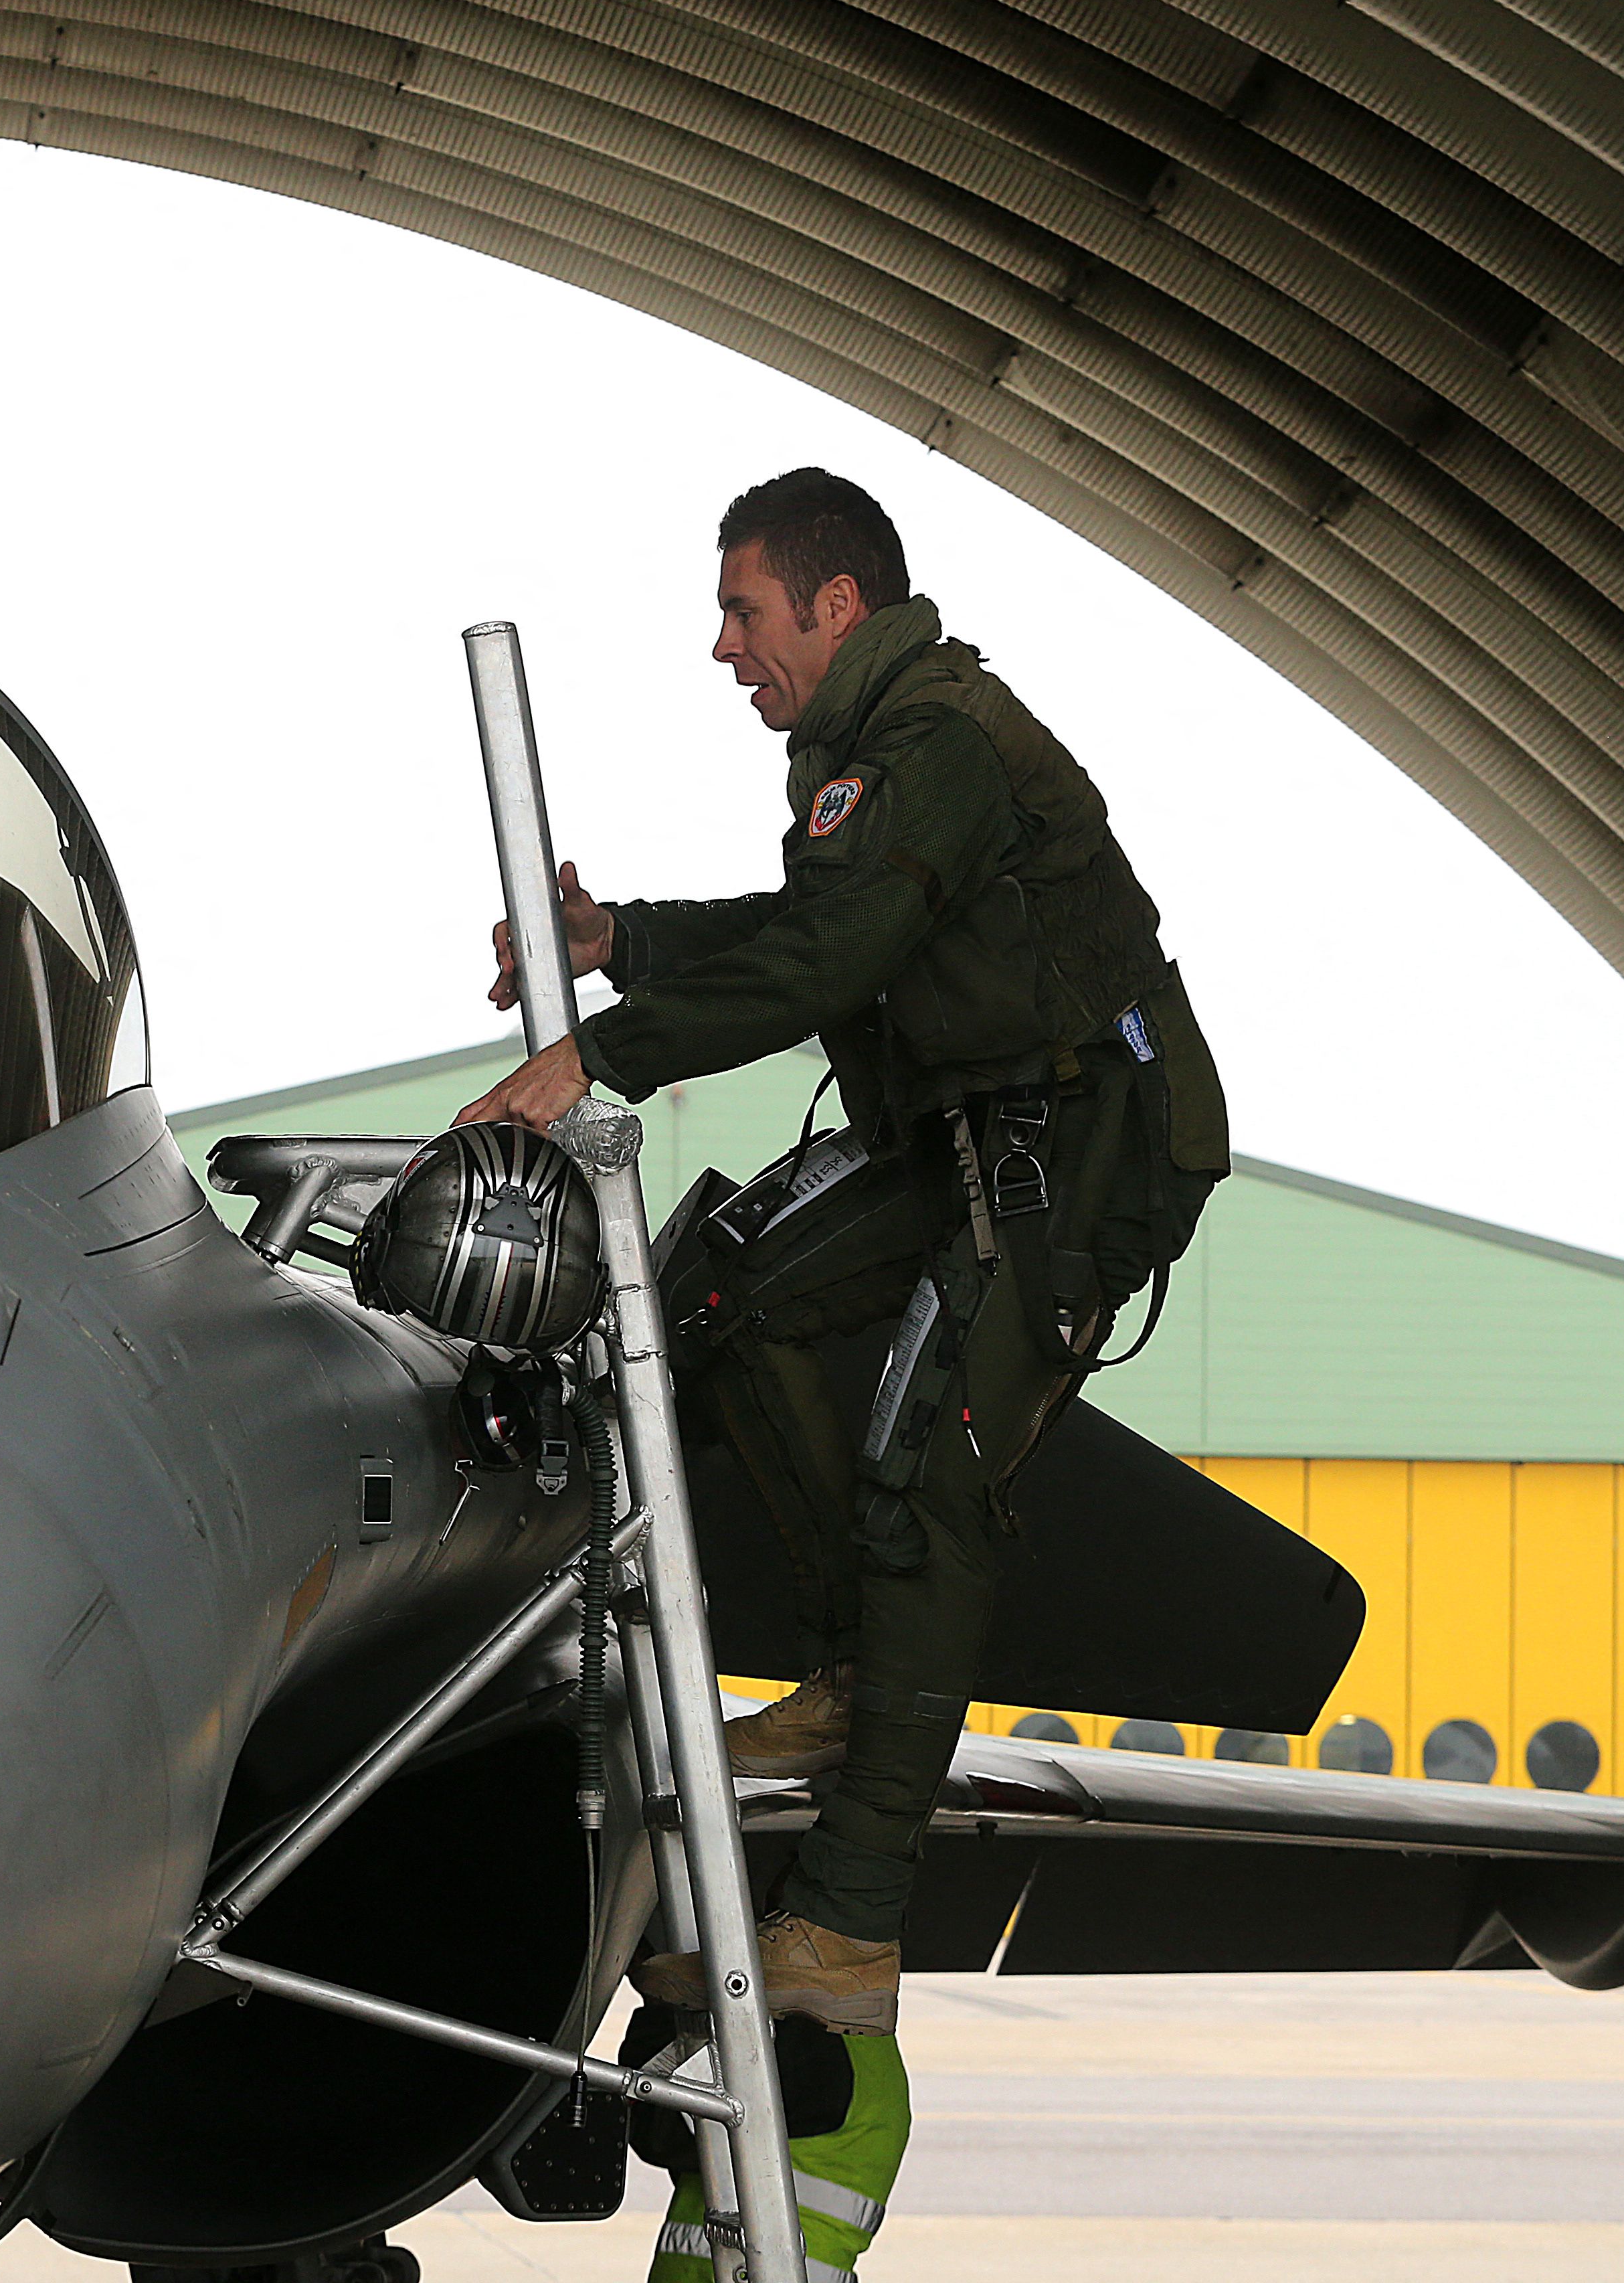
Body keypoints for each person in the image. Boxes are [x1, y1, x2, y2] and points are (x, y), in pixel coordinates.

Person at [458, 469, 1227, 2043]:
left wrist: (601, 1053)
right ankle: (850, 1684)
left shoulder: (936, 743)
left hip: (1083, 1154)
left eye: (745, 612)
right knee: (733, 1295)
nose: (725, 647)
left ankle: (849, 1930)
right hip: (966, 1137)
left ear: (836, 607)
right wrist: (630, 941)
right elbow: (821, 916)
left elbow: (828, 960)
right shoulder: (873, 757)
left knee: (932, 1483)